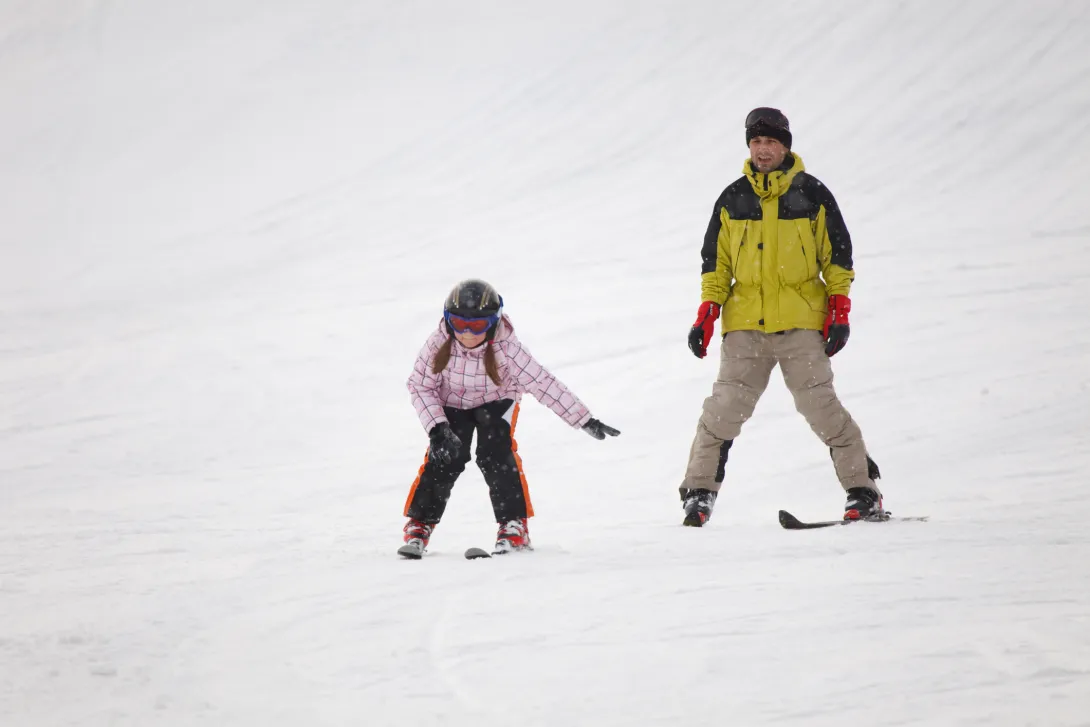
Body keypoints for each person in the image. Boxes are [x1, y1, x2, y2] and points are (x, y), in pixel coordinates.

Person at [680, 107, 882, 527]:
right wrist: (707, 313)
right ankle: (698, 494)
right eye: (755, 142)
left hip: (801, 323)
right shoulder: (733, 198)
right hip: (745, 328)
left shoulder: (812, 194)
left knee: (822, 409)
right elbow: (715, 265)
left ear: (785, 145)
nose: (762, 149)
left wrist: (839, 309)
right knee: (722, 412)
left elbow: (837, 259)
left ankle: (863, 492)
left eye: (770, 142)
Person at [400, 279, 620, 557]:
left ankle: (514, 526)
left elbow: (542, 383)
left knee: (496, 453)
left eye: (477, 325)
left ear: (492, 322)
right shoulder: (438, 343)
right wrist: (437, 428)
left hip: (497, 402)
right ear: (447, 320)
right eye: (459, 323)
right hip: (452, 404)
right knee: (445, 457)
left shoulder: (507, 348)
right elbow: (420, 386)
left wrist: (583, 418)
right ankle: (419, 525)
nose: (467, 333)